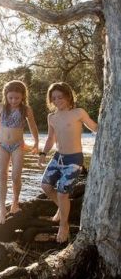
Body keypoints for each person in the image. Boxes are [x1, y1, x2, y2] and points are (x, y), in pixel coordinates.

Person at [38, 82, 98, 243]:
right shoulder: (52, 117)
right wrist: (43, 153)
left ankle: (63, 225)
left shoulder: (78, 112)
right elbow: (51, 138)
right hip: (58, 158)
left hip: (74, 160)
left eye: (60, 97)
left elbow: (95, 127)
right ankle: (62, 208)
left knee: (62, 193)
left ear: (68, 96)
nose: (57, 100)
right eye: (54, 98)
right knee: (45, 186)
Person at [0, 80, 39, 224]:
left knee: (16, 176)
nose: (13, 101)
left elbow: (33, 126)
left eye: (17, 98)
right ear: (6, 95)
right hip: (3, 145)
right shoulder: (0, 107)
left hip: (18, 146)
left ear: (23, 96)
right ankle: (3, 209)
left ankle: (15, 202)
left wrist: (36, 142)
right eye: (10, 97)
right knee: (2, 175)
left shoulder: (26, 109)